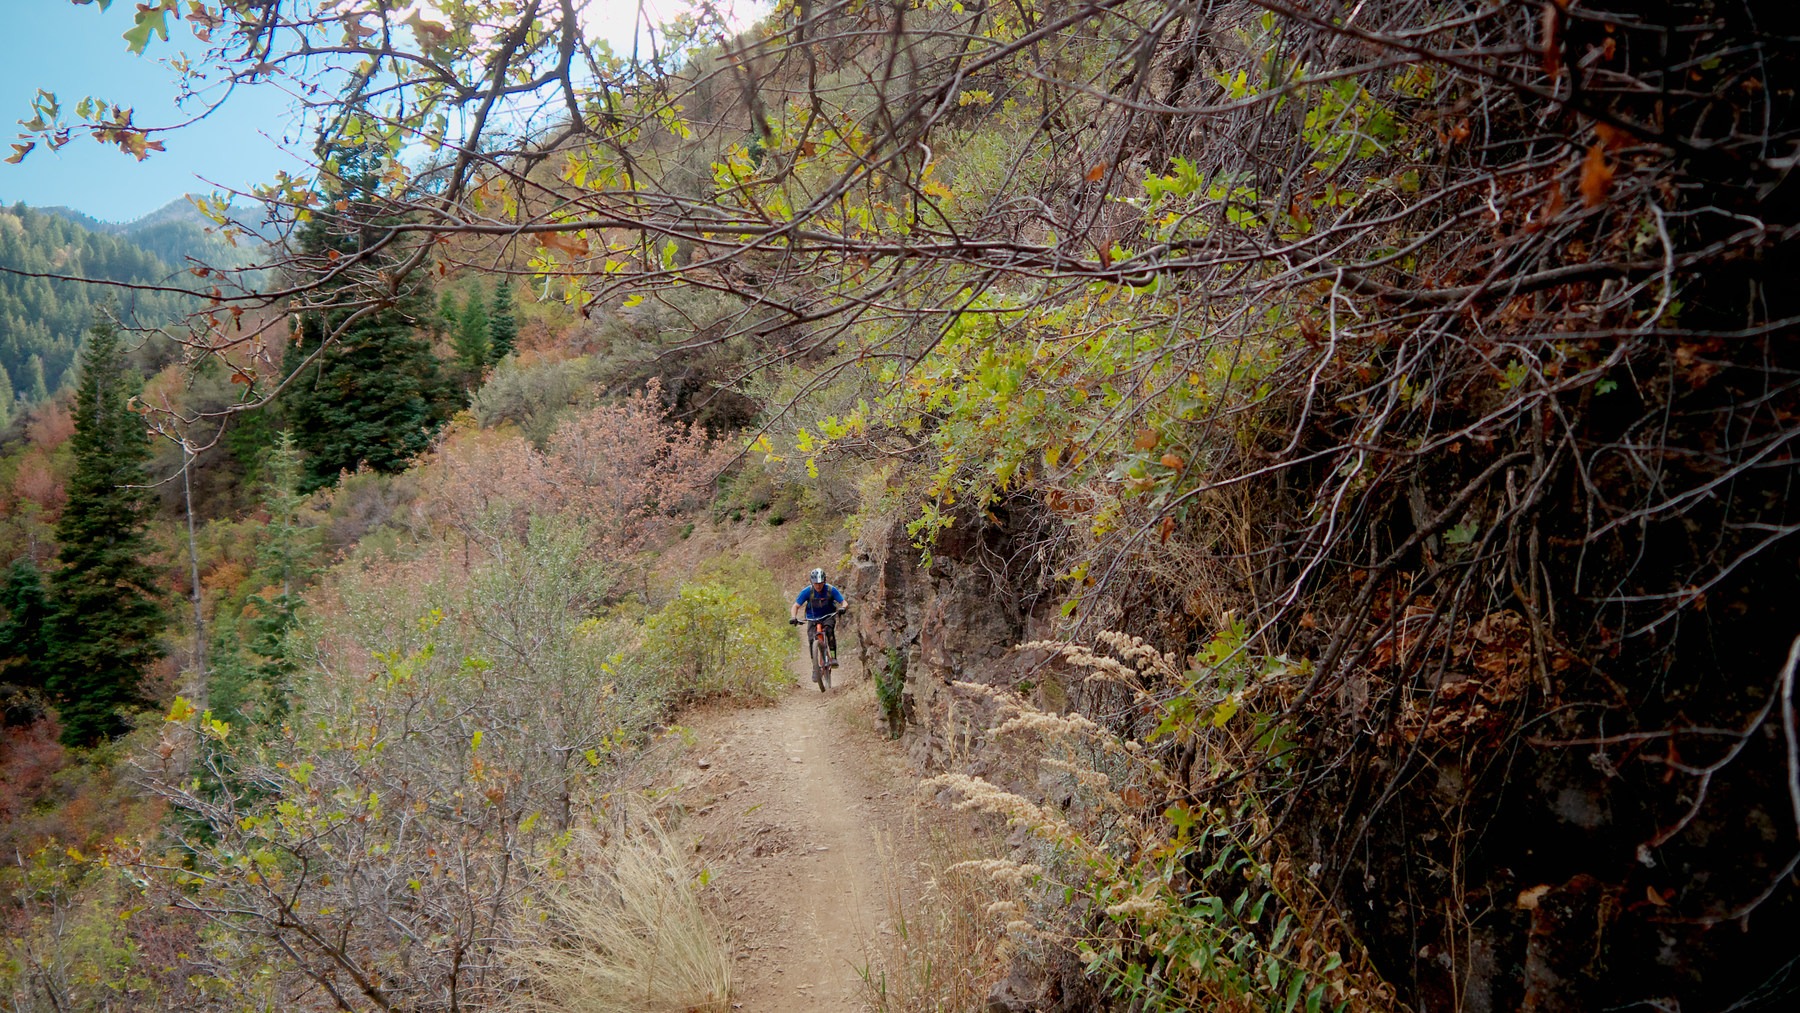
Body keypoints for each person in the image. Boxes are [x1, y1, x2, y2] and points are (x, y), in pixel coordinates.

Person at [790, 567, 847, 672]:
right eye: (816, 583)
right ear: (811, 582)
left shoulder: (830, 590)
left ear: (824, 581)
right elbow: (796, 606)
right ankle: (815, 668)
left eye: (820, 583)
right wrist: (793, 617)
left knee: (829, 631)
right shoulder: (807, 591)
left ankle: (833, 657)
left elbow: (843, 601)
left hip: (828, 616)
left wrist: (843, 608)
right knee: (812, 640)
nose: (818, 586)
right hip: (812, 618)